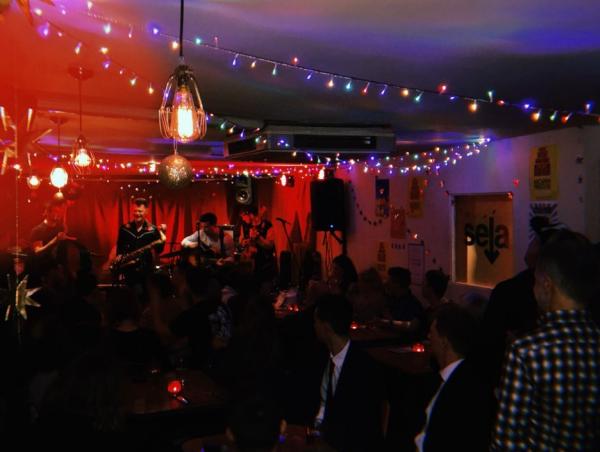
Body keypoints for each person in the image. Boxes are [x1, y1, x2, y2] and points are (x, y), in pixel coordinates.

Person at [491, 230, 600, 450]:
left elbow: (505, 442)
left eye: (536, 281)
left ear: (547, 285)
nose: (533, 289)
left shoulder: (527, 351)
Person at [414, 303, 494, 452]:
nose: (428, 337)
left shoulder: (460, 390)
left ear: (444, 342)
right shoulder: (466, 376)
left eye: (432, 333)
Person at [312, 293, 385, 451]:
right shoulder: (324, 358)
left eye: (316, 322)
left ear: (326, 327)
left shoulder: (363, 369)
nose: (314, 326)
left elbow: (364, 428)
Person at [114, 198, 166, 286]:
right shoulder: (124, 228)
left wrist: (163, 234)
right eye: (135, 211)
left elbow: (159, 251)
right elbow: (119, 246)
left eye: (140, 211)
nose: (137, 214)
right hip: (128, 270)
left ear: (146, 212)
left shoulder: (153, 230)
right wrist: (119, 256)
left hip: (146, 270)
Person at [239, 206, 277, 287]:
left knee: (263, 288)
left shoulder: (267, 225)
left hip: (263, 263)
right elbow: (241, 240)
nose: (243, 219)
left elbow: (270, 245)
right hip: (249, 263)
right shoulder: (245, 225)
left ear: (251, 215)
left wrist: (258, 237)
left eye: (243, 216)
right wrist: (244, 242)